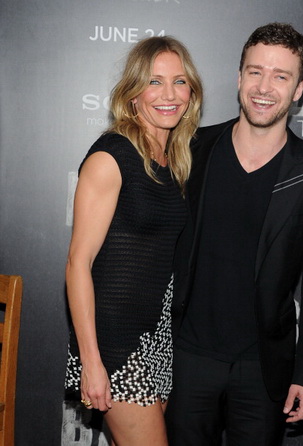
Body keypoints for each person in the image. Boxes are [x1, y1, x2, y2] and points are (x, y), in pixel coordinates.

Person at [165, 23, 303, 446]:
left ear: (299, 89)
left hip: (264, 368)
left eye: (281, 76)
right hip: (187, 359)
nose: (264, 87)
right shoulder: (191, 149)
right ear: (239, 77)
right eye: (256, 72)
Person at [64, 36, 202, 446]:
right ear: (133, 94)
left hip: (155, 336)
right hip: (115, 342)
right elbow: (78, 263)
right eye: (155, 82)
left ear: (191, 93)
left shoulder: (174, 160)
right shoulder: (111, 157)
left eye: (179, 81)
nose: (169, 94)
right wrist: (92, 361)